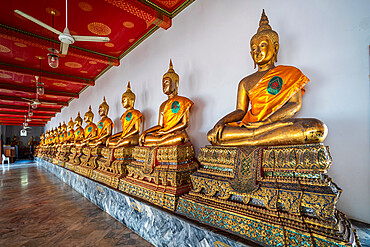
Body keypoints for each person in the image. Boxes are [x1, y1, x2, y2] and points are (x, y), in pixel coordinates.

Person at [207, 10, 327, 146]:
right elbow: (241, 111)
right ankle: (254, 137)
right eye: (253, 48)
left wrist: (267, 123)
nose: (257, 52)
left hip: (275, 125)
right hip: (252, 126)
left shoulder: (290, 73)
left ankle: (251, 139)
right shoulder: (245, 82)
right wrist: (222, 121)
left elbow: (295, 104)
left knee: (316, 128)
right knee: (213, 134)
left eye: (262, 45)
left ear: (275, 47)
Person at [139, 60, 193, 147]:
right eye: (162, 83)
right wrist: (145, 132)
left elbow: (184, 124)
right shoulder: (163, 105)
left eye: (166, 82)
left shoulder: (183, 101)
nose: (164, 86)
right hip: (164, 135)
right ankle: (160, 141)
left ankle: (159, 142)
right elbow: (160, 125)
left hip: (176, 134)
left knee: (181, 138)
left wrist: (167, 132)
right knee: (146, 138)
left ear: (176, 83)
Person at [106, 82, 143, 148]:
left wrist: (124, 137)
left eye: (124, 99)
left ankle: (116, 146)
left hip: (132, 138)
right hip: (124, 137)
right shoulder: (123, 115)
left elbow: (137, 130)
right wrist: (112, 137)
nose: (122, 102)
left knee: (125, 141)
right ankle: (117, 145)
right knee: (110, 141)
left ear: (131, 100)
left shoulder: (136, 113)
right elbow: (124, 131)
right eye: (122, 100)